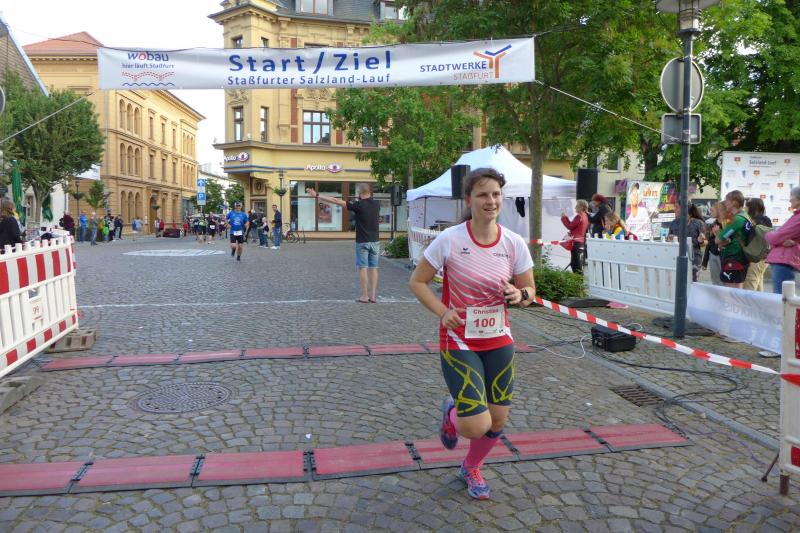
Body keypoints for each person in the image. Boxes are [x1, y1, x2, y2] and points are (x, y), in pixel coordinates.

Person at [408, 168, 535, 500]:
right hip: (459, 340)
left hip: (499, 340)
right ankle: (452, 413)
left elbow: (530, 291)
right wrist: (443, 311)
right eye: (482, 194)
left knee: (497, 421)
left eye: (496, 194)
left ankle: (471, 467)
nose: (490, 201)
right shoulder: (450, 239)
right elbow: (417, 282)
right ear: (469, 200)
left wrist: (519, 295)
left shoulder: (513, 242)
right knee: (475, 425)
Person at [308, 183, 381, 303]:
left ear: (359, 193)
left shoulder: (358, 205)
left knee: (363, 268)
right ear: (370, 192)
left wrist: (317, 195)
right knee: (374, 268)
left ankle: (364, 296)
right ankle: (373, 296)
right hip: (375, 241)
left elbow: (335, 200)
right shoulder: (377, 204)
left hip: (362, 241)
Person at [766, 186, 800, 294]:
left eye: (792, 196)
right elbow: (779, 236)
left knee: (782, 298)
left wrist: (768, 234)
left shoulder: (798, 218)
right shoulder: (796, 216)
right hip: (783, 260)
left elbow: (776, 237)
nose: (790, 199)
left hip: (784, 261)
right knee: (783, 298)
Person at [716, 190, 751, 288]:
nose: (725, 203)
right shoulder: (745, 216)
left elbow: (718, 240)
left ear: (734, 203)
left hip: (734, 258)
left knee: (731, 292)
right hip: (740, 258)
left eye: (727, 201)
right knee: (736, 291)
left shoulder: (737, 219)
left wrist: (717, 234)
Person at [667, 204, 706, 282]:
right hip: (677, 257)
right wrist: (669, 239)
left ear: (685, 209)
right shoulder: (673, 223)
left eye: (677, 207)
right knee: (678, 282)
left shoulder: (698, 223)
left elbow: (705, 243)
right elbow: (668, 240)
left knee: (692, 282)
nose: (674, 209)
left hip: (694, 258)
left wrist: (701, 241)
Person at [743, 198, 773, 291]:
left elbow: (751, 238)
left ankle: (749, 301)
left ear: (751, 207)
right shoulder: (765, 220)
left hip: (756, 257)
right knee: (758, 281)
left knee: (750, 281)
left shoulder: (756, 221)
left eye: (746, 206)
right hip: (763, 257)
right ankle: (760, 300)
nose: (744, 208)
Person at [560, 199, 589, 274]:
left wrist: (563, 218)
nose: (575, 207)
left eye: (577, 206)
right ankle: (577, 278)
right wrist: (566, 218)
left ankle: (578, 279)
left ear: (581, 207)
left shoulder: (579, 216)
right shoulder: (585, 216)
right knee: (576, 263)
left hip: (576, 242)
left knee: (575, 264)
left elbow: (570, 226)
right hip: (581, 241)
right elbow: (573, 226)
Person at [702, 202, 726, 286]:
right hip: (713, 255)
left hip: (723, 256)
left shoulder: (727, 224)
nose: (710, 212)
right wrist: (705, 261)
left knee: (724, 282)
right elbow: (709, 243)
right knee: (715, 283)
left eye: (712, 210)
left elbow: (727, 241)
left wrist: (717, 234)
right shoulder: (712, 224)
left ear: (719, 210)